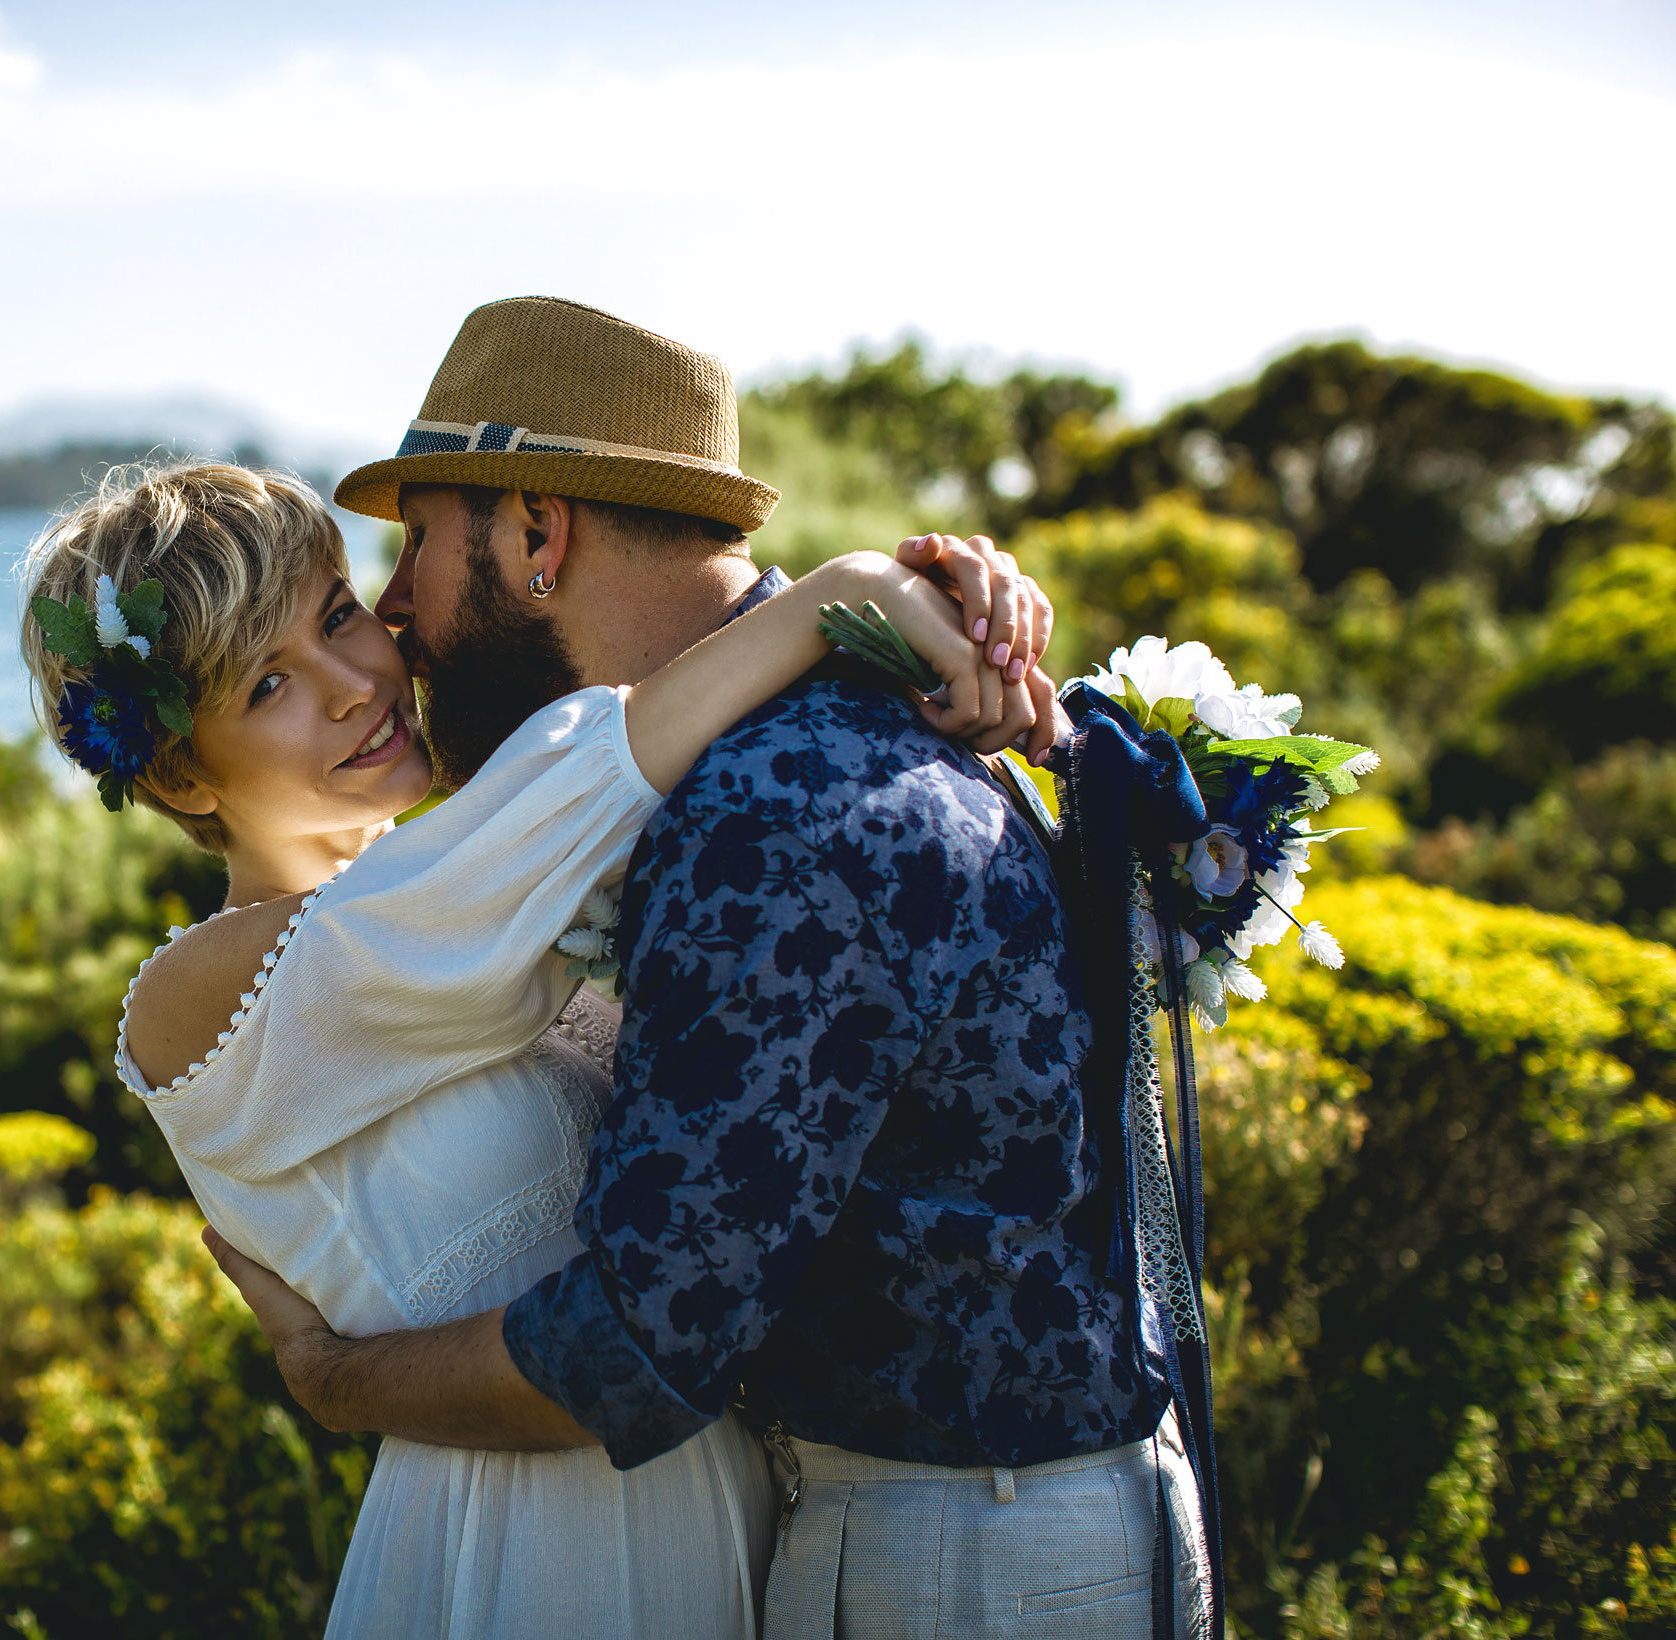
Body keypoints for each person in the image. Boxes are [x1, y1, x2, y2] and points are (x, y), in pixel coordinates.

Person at [202, 296, 1213, 1638]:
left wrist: (336, 1381)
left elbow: (636, 1345)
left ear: (536, 533)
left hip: (955, 1564)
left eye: (418, 546)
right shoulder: (856, 713)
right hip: (1027, 1526)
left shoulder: (772, 803)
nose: (395, 609)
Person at [16, 447, 1056, 1635]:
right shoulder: (204, 996)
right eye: (266, 686)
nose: (354, 681)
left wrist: (965, 639)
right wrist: (840, 593)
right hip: (534, 1544)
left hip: (716, 1502)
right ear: (178, 773)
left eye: (337, 617)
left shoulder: (490, 903)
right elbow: (583, 778)